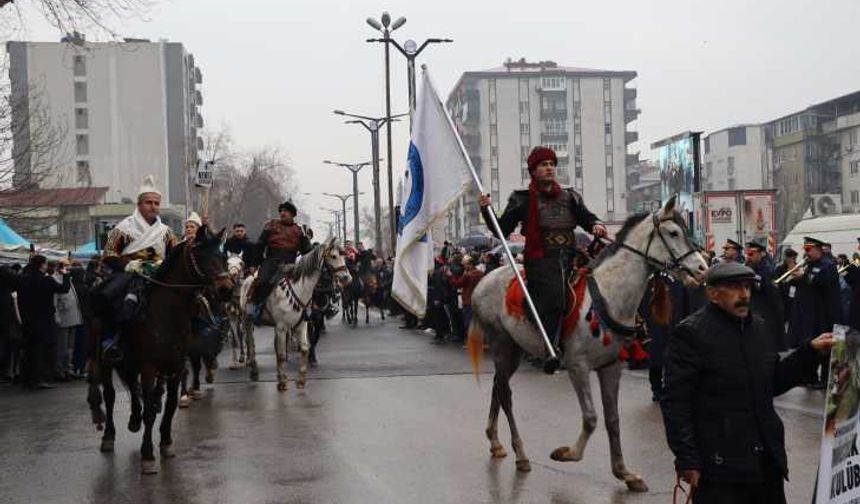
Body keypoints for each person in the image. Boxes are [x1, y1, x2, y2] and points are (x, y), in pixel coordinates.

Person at [661, 261, 835, 503]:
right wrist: (687, 458)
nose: (744, 295)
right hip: (721, 467)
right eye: (734, 288)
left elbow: (772, 381)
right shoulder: (692, 333)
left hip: (765, 462)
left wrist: (811, 352)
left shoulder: (759, 328)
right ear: (712, 293)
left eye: (747, 287)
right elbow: (676, 403)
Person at [478, 146, 606, 373]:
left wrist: (596, 224)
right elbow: (502, 229)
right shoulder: (521, 200)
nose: (549, 168)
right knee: (556, 297)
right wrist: (487, 211)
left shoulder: (571, 197)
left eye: (552, 164)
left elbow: (587, 219)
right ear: (533, 171)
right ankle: (551, 348)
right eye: (543, 165)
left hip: (571, 257)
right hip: (541, 260)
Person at [97, 175, 176, 362]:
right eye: (149, 202)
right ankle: (113, 340)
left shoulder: (167, 232)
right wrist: (130, 264)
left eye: (157, 203)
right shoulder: (123, 228)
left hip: (158, 276)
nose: (153, 206)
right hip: (130, 275)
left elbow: (173, 257)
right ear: (139, 204)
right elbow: (108, 254)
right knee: (116, 302)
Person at [787, 236, 841, 388]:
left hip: (824, 313)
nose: (806, 253)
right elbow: (806, 285)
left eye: (808, 250)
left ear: (818, 249)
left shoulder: (828, 265)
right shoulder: (810, 264)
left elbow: (821, 282)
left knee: (825, 349)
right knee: (811, 344)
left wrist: (804, 276)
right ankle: (809, 377)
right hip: (811, 313)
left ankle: (825, 380)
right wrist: (795, 278)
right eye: (805, 250)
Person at [247, 200, 311, 320]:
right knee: (262, 282)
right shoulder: (270, 225)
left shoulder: (299, 230)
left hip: (291, 263)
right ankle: (257, 307)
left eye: (285, 211)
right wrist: (254, 264)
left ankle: (306, 309)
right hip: (272, 261)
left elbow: (307, 250)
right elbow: (260, 245)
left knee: (306, 283)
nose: (282, 213)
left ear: (292, 214)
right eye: (281, 211)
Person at [17, 255, 71, 389]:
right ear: (42, 265)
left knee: (29, 348)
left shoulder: (23, 280)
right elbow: (63, 289)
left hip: (27, 319)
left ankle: (27, 378)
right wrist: (65, 275)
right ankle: (39, 378)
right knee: (41, 349)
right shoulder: (45, 280)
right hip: (44, 319)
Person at [744, 241, 785, 350]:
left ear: (761, 254)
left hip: (766, 311)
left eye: (752, 254)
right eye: (748, 253)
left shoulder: (767, 268)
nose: (749, 256)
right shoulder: (751, 266)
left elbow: (767, 289)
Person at [53, 258, 83, 380]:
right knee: (62, 347)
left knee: (70, 347)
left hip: (73, 317)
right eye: (66, 266)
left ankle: (68, 368)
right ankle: (60, 370)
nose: (68, 268)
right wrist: (57, 317)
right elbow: (54, 301)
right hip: (63, 318)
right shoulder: (55, 279)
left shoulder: (68, 280)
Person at [446, 255, 484, 342]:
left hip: (467, 299)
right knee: (477, 321)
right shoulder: (480, 273)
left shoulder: (468, 275)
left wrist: (450, 276)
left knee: (469, 321)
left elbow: (457, 284)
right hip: (478, 300)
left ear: (470, 265)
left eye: (466, 264)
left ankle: (470, 340)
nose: (464, 266)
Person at [773, 248, 798, 328]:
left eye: (793, 258)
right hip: (782, 296)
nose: (791, 260)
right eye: (789, 258)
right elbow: (775, 280)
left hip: (794, 297)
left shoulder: (797, 268)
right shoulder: (780, 268)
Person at [841, 237, 859, 332]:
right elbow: (852, 281)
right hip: (856, 298)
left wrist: (854, 268)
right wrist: (846, 271)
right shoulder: (857, 262)